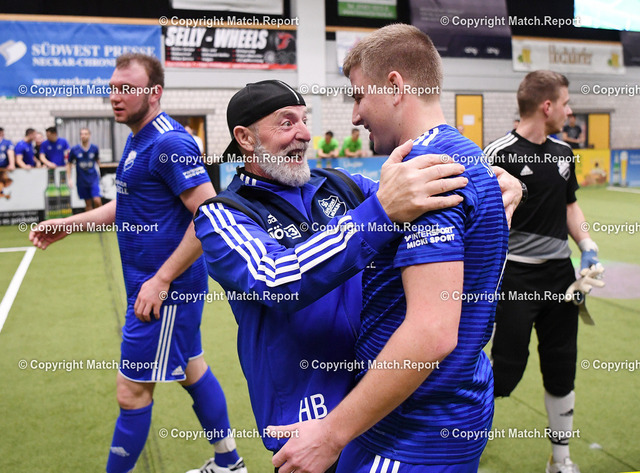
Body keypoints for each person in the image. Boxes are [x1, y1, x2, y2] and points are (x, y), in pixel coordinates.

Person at [249, 24, 512, 473]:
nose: (355, 116)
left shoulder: (427, 174)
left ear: (394, 86)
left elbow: (432, 332)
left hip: (412, 429)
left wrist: (331, 434)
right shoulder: (465, 158)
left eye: (358, 96)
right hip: (437, 412)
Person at [193, 79, 472, 472]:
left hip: (377, 399)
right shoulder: (222, 214)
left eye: (304, 120)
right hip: (307, 422)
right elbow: (276, 279)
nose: (304, 134)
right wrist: (377, 214)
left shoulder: (342, 183)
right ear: (245, 137)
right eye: (286, 122)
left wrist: (500, 181)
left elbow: (427, 191)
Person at [29, 53, 246, 473]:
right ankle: (229, 462)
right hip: (154, 288)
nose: (116, 96)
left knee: (131, 393)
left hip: (164, 293)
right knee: (191, 369)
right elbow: (128, 206)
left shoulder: (170, 142)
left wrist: (162, 279)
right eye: (113, 88)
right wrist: (69, 224)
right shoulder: (138, 137)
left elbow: (210, 216)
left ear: (154, 92)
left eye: (127, 88)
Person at [484, 70, 604, 473]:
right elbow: (480, 219)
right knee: (505, 374)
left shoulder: (564, 153)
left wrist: (587, 246)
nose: (570, 112)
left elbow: (570, 206)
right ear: (547, 106)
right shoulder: (497, 152)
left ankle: (561, 460)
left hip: (561, 280)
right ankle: (460, 439)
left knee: (561, 369)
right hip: (515, 279)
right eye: (566, 104)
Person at [67, 127, 102, 211]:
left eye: (86, 134)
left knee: (97, 200)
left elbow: (98, 161)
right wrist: (69, 179)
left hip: (93, 179)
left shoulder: (94, 148)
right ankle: (92, 219)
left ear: (89, 135)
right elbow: (69, 164)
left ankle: (101, 217)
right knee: (88, 203)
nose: (83, 136)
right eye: (82, 134)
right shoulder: (75, 149)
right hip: (82, 180)